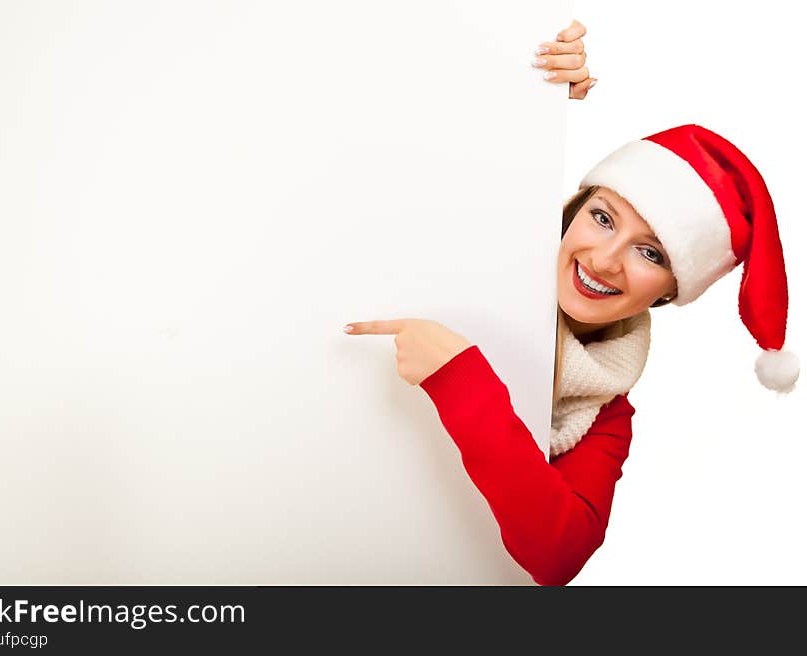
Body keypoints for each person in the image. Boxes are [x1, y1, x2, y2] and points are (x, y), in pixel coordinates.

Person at [342, 23, 799, 585]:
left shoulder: (605, 413)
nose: (605, 260)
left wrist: (459, 380)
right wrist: (523, 80)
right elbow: (411, 136)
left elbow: (559, 555)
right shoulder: (481, 242)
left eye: (650, 253)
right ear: (572, 210)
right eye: (602, 217)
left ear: (670, 291)